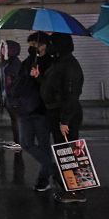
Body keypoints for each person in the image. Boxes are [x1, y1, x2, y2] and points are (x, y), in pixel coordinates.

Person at [37, 32, 85, 204]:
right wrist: (40, 77)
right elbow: (54, 86)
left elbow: (71, 95)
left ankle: (75, 192)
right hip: (56, 112)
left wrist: (65, 120)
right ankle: (69, 188)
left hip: (65, 114)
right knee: (63, 152)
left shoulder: (69, 65)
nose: (48, 46)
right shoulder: (59, 62)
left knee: (69, 153)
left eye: (52, 43)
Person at [10, 33, 52, 192]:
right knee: (26, 142)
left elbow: (50, 87)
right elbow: (19, 83)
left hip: (42, 110)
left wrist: (39, 77)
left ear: (43, 45)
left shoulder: (49, 62)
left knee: (44, 144)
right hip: (25, 109)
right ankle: (54, 168)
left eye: (34, 44)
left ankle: (44, 177)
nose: (31, 48)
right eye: (30, 45)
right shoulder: (28, 62)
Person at [0, 40, 22, 150]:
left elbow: (15, 82)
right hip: (8, 97)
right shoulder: (8, 63)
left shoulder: (14, 63)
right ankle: (17, 141)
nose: (2, 50)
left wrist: (11, 95)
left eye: (5, 47)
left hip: (14, 98)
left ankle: (19, 142)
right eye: (2, 47)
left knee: (16, 120)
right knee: (14, 120)